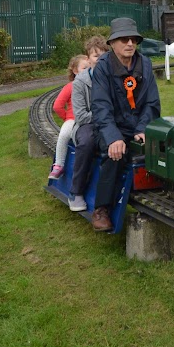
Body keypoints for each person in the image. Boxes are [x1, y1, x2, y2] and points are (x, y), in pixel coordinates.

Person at [89, 18, 161, 231]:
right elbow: (101, 106)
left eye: (133, 39)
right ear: (112, 43)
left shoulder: (145, 64)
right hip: (110, 126)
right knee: (115, 155)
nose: (130, 43)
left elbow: (152, 102)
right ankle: (101, 209)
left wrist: (142, 129)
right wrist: (113, 137)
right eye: (123, 39)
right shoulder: (102, 67)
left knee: (163, 148)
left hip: (138, 125)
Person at [67, 36, 109, 211]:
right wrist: (103, 115)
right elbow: (81, 116)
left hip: (109, 122)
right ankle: (76, 192)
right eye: (95, 56)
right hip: (88, 124)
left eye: (103, 56)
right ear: (88, 58)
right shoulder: (80, 83)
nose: (100, 60)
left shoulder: (113, 78)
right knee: (87, 142)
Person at [48, 54, 89, 180]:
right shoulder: (70, 86)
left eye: (89, 67)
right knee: (64, 134)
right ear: (75, 71)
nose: (87, 71)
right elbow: (57, 106)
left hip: (87, 118)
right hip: (73, 118)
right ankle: (59, 164)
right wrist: (67, 118)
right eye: (84, 68)